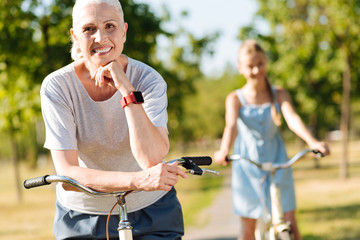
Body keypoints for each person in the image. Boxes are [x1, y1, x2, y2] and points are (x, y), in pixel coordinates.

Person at [40, 0, 187, 239]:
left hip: (153, 210)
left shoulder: (149, 80)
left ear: (124, 31)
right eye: (89, 29)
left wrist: (127, 90)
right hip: (83, 216)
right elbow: (67, 174)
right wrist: (137, 180)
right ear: (75, 35)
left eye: (110, 26)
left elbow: (151, 158)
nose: (101, 37)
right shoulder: (57, 86)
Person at [214, 39, 330, 240]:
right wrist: (224, 149)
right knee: (247, 230)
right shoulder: (235, 98)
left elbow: (292, 119)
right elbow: (231, 126)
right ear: (241, 68)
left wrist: (313, 142)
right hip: (248, 168)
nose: (256, 70)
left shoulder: (279, 94)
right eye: (250, 66)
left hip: (279, 163)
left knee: (290, 223)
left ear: (266, 63)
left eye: (260, 64)